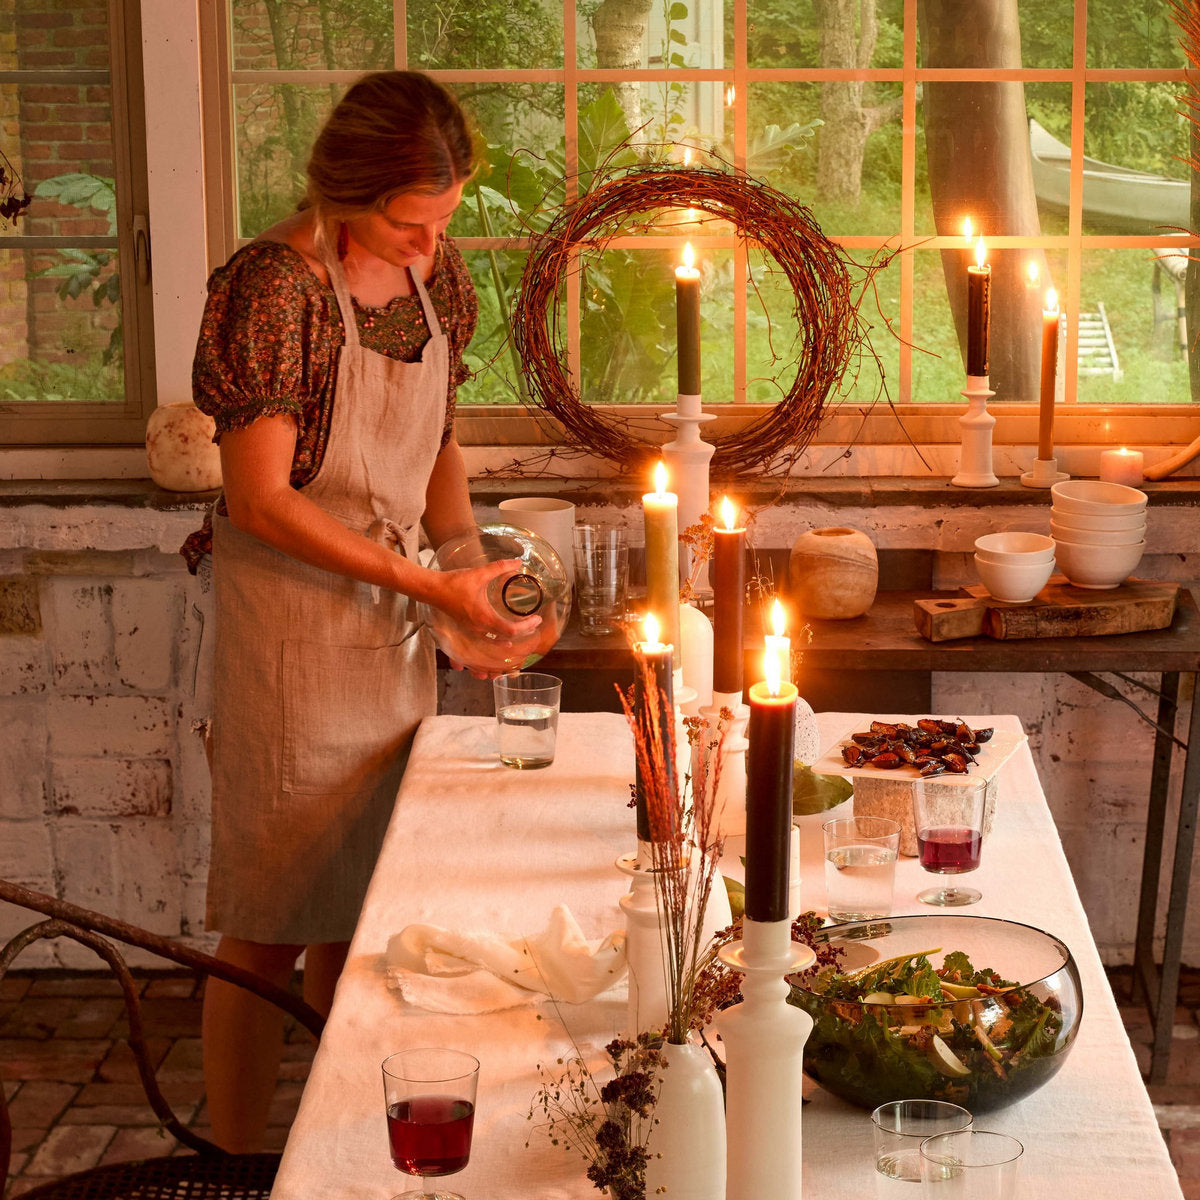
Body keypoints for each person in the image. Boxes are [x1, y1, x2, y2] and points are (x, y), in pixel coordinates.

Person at [180, 70, 538, 1153]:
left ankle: (340, 1146)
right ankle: (239, 1162)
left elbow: (434, 446)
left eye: (442, 220)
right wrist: (432, 585)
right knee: (271, 924)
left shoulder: (433, 281)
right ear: (342, 189)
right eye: (406, 222)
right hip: (289, 636)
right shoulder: (272, 288)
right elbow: (261, 499)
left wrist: (470, 571)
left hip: (385, 630)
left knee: (365, 907)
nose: (430, 246)